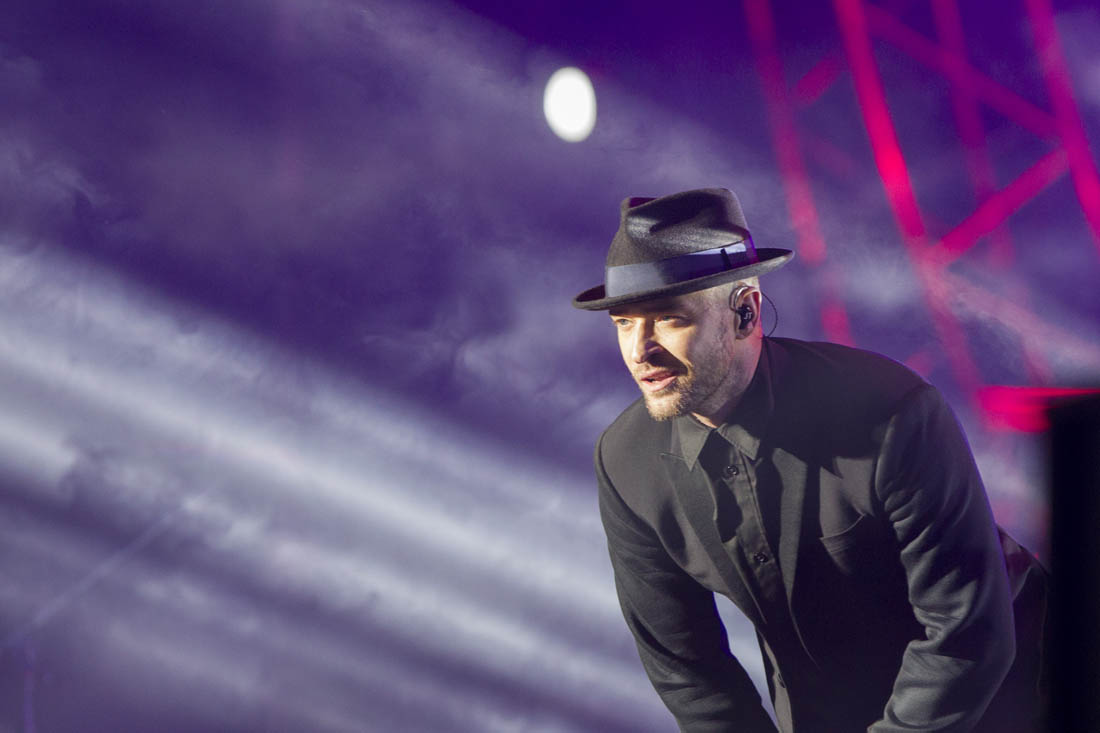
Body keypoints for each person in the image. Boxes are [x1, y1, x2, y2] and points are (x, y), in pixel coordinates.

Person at [572, 188, 1047, 732]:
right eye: (623, 323)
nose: (639, 350)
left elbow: (966, 633)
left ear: (746, 311)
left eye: (668, 319)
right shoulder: (626, 463)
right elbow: (689, 674)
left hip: (1019, 695)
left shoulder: (891, 413)